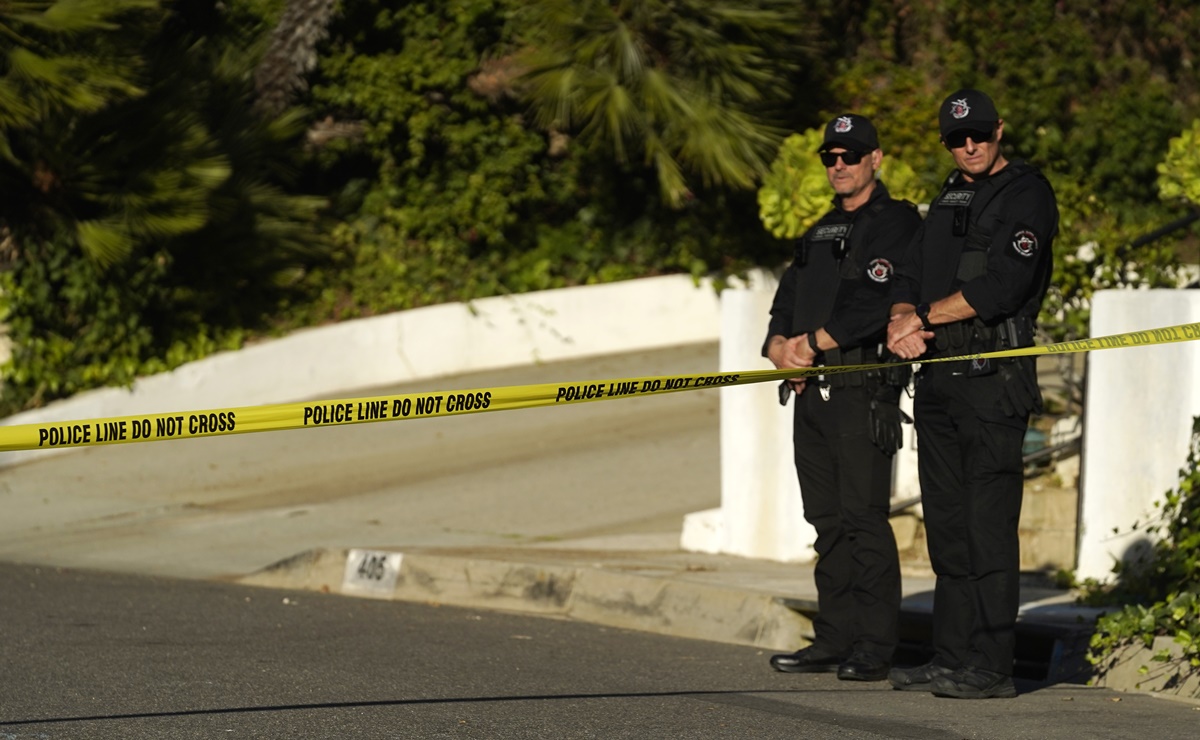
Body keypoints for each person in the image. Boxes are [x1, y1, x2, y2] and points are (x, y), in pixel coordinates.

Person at [886, 89, 1058, 699]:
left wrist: (921, 318)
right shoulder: (949, 193)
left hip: (991, 381)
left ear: (999, 130)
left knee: (988, 528)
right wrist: (901, 317)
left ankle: (992, 665)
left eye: (980, 134)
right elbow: (909, 273)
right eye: (958, 139)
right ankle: (950, 654)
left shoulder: (1026, 193)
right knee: (949, 528)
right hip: (938, 380)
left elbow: (1004, 286)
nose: (970, 145)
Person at [765, 114, 921, 682]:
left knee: (863, 520)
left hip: (860, 389)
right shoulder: (819, 230)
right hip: (809, 393)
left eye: (850, 156)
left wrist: (812, 343)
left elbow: (876, 305)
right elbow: (786, 299)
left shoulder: (896, 223)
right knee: (825, 522)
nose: (838, 166)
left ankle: (874, 646)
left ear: (875, 159)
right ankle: (833, 638)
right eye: (830, 158)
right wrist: (780, 344)